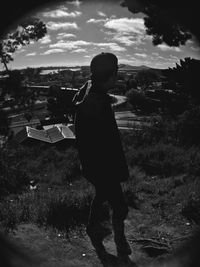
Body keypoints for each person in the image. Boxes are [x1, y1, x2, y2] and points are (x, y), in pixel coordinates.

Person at [73, 52, 131, 258]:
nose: (118, 76)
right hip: (103, 166)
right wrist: (117, 170)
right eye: (116, 73)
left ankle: (94, 229)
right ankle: (119, 241)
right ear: (110, 75)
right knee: (120, 206)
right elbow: (106, 144)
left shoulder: (89, 92)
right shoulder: (98, 104)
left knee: (102, 196)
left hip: (92, 165)